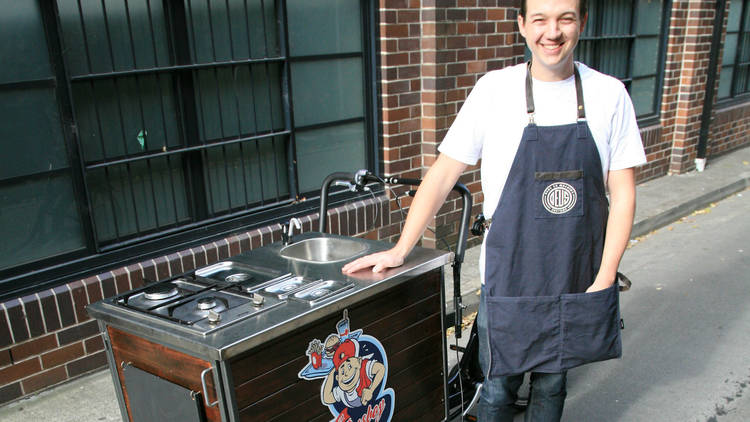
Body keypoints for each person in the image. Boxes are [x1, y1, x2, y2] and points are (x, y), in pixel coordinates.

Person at [342, 0, 646, 420]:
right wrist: (400, 249)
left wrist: (606, 275)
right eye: (539, 19)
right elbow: (444, 172)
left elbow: (623, 192)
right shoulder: (494, 90)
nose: (552, 32)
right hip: (508, 278)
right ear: (522, 24)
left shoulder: (609, 94)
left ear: (582, 22)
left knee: (553, 386)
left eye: (565, 18)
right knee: (498, 388)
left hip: (574, 275)